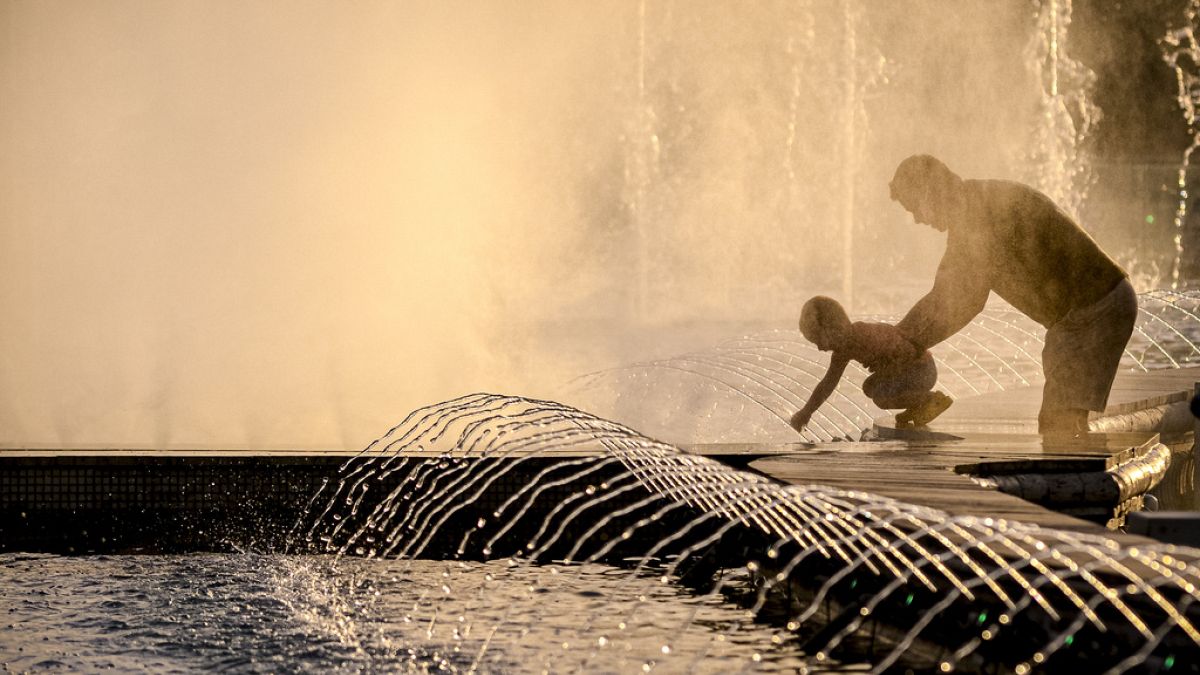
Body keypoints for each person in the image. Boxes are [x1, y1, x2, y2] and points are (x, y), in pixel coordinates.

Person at [888, 154, 1138, 434]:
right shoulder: (975, 208)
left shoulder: (979, 215)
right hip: (1086, 312)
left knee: (1060, 424)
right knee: (1063, 422)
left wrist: (897, 342)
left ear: (930, 192)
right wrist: (902, 340)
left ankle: (1086, 475)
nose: (918, 220)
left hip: (1095, 310)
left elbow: (959, 301)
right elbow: (951, 298)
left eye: (915, 208)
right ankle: (1082, 471)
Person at [790, 295, 953, 433]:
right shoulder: (844, 349)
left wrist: (888, 370)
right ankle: (918, 407)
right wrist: (806, 412)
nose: (819, 348)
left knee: (881, 397)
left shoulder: (865, 337)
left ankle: (931, 399)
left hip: (921, 370)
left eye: (819, 340)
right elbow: (827, 384)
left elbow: (911, 350)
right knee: (870, 387)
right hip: (913, 371)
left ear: (833, 330)